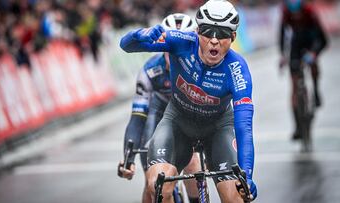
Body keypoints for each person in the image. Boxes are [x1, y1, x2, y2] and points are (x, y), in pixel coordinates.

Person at [119, 0, 257, 202]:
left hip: (218, 129)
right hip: (178, 123)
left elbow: (244, 126)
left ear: (234, 36)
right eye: (208, 32)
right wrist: (137, 35)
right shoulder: (180, 41)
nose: (214, 40)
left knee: (236, 197)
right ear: (198, 31)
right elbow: (126, 45)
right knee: (157, 185)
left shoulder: (237, 69)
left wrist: (247, 175)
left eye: (223, 34)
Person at [117, 13, 202, 203]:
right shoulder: (150, 71)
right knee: (153, 185)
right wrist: (128, 158)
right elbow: (137, 118)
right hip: (156, 120)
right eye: (171, 50)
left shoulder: (202, 66)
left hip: (187, 119)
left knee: (194, 164)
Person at [279, 0, 328, 140]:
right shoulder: (286, 12)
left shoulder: (310, 12)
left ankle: (316, 91)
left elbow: (322, 39)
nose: (297, 15)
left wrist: (314, 53)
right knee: (294, 85)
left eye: (298, 13)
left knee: (312, 63)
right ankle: (297, 126)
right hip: (297, 42)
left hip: (311, 39)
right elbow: (282, 35)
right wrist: (283, 56)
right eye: (294, 14)